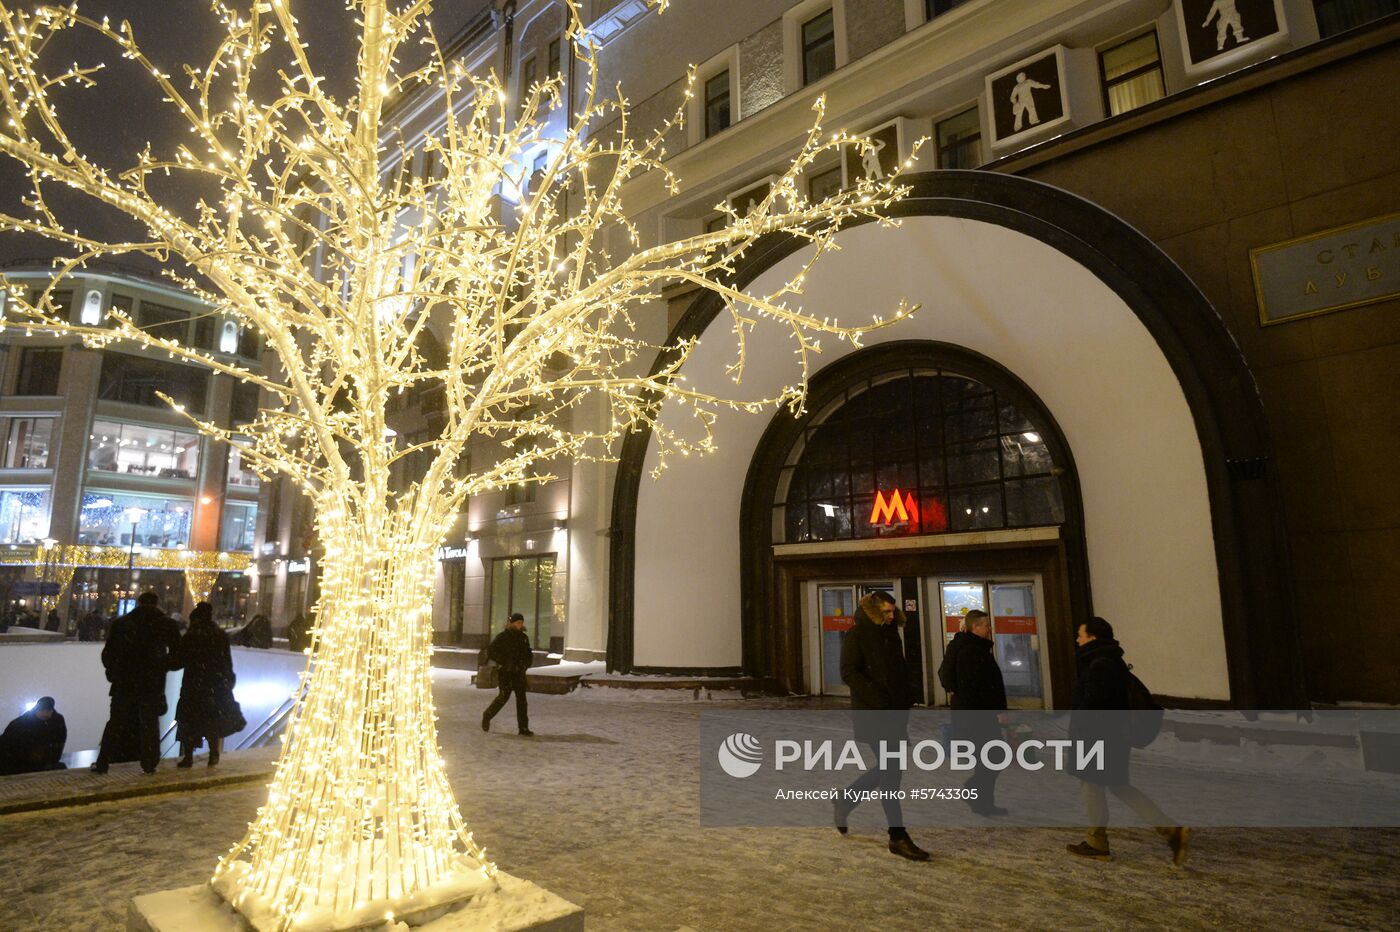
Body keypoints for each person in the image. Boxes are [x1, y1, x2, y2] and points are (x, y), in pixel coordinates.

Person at [1066, 616, 1189, 864]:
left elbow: (1095, 706)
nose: (1077, 640)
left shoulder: (1099, 664)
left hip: (1096, 738)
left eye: (1080, 635)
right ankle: (1170, 830)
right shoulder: (1111, 660)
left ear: (1092, 637)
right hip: (1113, 738)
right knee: (1119, 787)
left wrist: (1080, 729)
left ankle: (1096, 842)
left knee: (1091, 786)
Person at [835, 591, 930, 861]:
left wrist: (907, 694)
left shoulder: (890, 634)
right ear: (873, 611)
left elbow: (898, 669)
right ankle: (897, 836)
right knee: (891, 774)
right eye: (886, 612)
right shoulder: (857, 635)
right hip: (873, 714)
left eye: (892, 612)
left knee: (890, 769)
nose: (891, 616)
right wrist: (877, 696)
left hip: (895, 714)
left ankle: (846, 799)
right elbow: (848, 671)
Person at [92, 591, 181, 775]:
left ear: (138, 603)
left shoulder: (122, 623)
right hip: (152, 684)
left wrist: (114, 673)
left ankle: (103, 762)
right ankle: (149, 763)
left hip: (124, 683)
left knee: (115, 723)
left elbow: (108, 654)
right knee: (149, 723)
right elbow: (178, 656)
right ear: (157, 604)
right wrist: (161, 666)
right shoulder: (166, 624)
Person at [938, 609, 1009, 816]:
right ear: (974, 627)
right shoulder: (971, 651)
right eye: (986, 625)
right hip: (978, 717)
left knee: (989, 759)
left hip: (973, 715)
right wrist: (995, 712)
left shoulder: (970, 648)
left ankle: (981, 800)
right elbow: (978, 687)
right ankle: (977, 795)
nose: (989, 628)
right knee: (993, 757)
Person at [175, 602, 244, 768]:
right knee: (211, 720)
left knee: (189, 721)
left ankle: (188, 756)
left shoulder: (192, 636)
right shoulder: (219, 635)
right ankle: (214, 754)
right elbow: (226, 661)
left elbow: (180, 659)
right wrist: (227, 679)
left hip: (193, 685)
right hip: (213, 685)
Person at [481, 612, 533, 736]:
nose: (520, 625)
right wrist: (503, 661)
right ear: (512, 623)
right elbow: (491, 651)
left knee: (522, 700)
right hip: (506, 672)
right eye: (518, 623)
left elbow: (528, 654)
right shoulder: (503, 637)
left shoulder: (523, 638)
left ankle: (523, 728)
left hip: (519, 672)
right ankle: (487, 715)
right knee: (503, 697)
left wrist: (526, 664)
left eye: (521, 623)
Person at [0, 696, 67, 774]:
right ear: (37, 709)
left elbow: (59, 740)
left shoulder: (56, 721)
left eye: (48, 710)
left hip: (40, 761)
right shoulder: (21, 723)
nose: (45, 713)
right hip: (16, 758)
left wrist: (53, 759)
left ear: (52, 710)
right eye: (42, 710)